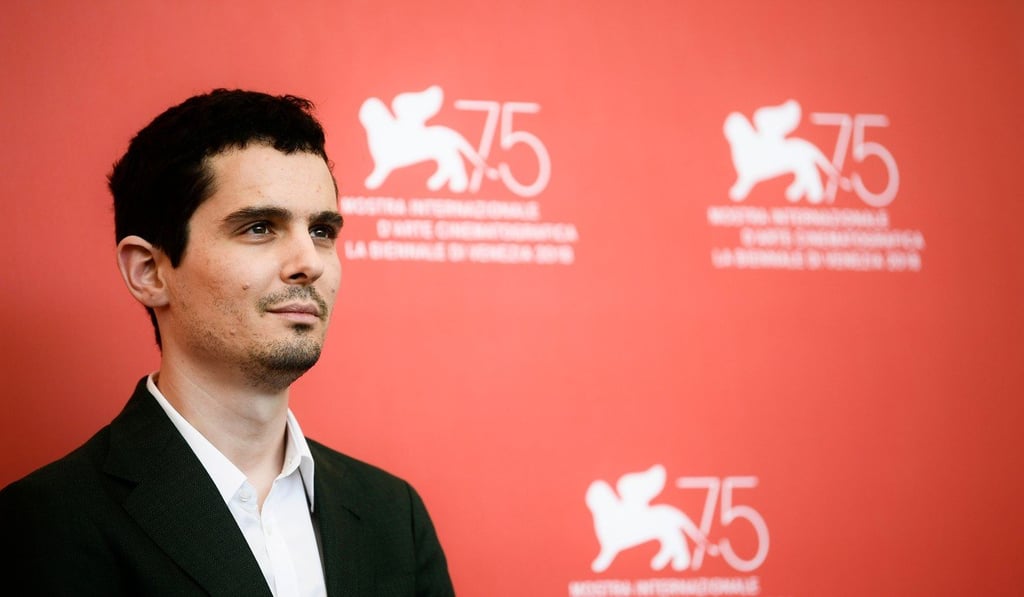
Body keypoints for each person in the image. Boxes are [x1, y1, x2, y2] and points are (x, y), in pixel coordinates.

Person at [0, 89, 455, 596]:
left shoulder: (393, 514)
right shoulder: (45, 524)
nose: (310, 263)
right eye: (260, 228)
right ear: (149, 271)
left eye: (322, 230)